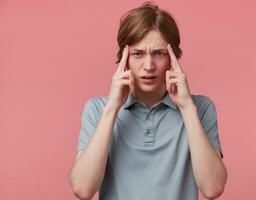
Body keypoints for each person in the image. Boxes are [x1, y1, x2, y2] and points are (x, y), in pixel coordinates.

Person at [69, 2, 227, 200]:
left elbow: (213, 188)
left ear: (173, 58)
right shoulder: (97, 109)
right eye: (138, 54)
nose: (149, 65)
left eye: (159, 53)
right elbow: (83, 189)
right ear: (124, 58)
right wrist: (111, 110)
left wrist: (187, 107)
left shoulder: (201, 108)